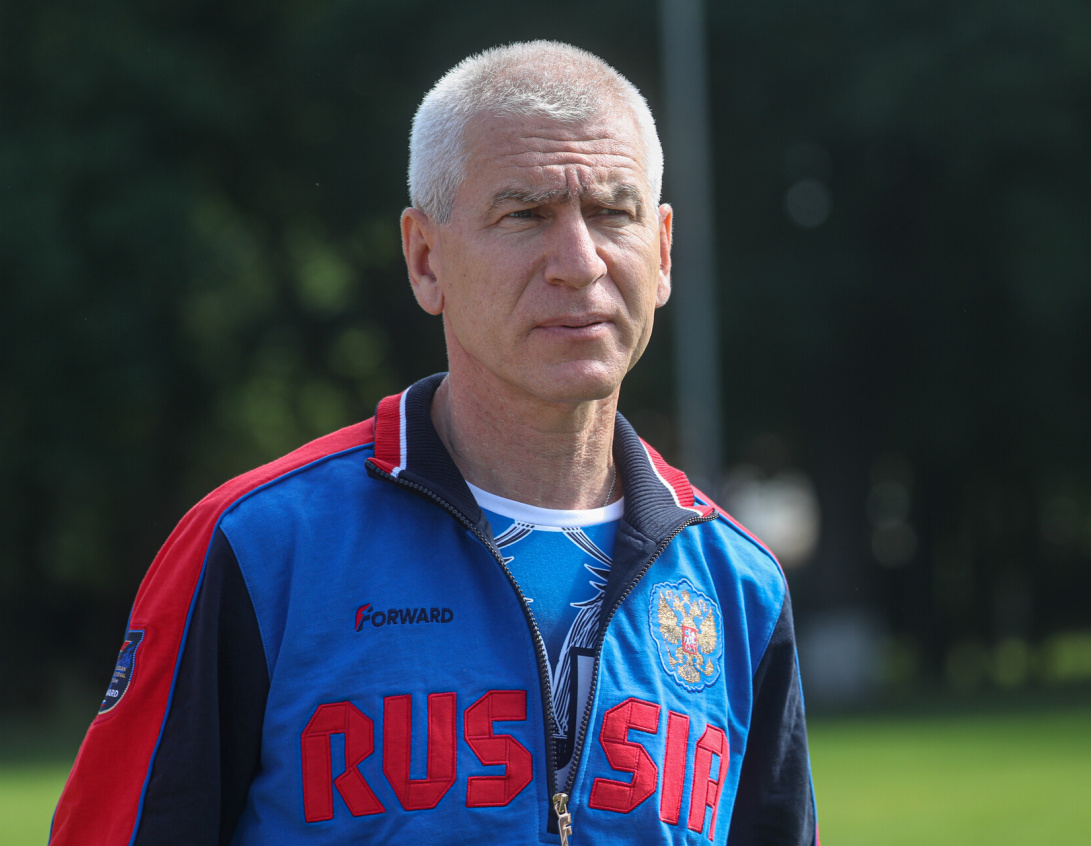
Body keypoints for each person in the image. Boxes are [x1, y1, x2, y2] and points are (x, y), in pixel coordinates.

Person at [50, 41, 818, 845]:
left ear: (661, 252)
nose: (579, 262)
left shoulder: (738, 584)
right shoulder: (256, 548)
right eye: (524, 215)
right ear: (425, 259)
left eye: (611, 213)